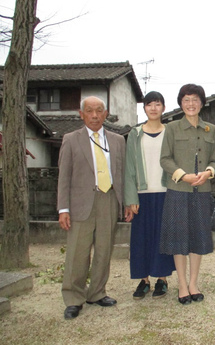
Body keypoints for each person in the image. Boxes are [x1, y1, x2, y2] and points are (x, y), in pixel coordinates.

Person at [57, 96, 126, 320]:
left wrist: (125, 202)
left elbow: (122, 174)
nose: (94, 115)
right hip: (80, 203)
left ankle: (96, 293)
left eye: (99, 111)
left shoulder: (117, 140)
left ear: (106, 114)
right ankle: (73, 298)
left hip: (108, 199)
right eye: (89, 111)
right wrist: (63, 208)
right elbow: (63, 176)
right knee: (78, 252)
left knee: (104, 250)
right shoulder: (70, 139)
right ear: (81, 114)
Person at [160, 83, 215, 305]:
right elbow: (165, 159)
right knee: (178, 238)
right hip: (178, 190)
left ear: (202, 103)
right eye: (186, 100)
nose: (191, 104)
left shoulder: (210, 129)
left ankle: (194, 283)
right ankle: (182, 285)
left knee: (198, 238)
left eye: (195, 99)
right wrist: (182, 175)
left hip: (202, 191)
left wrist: (209, 172)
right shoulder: (172, 128)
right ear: (181, 103)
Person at [124, 91, 176, 300]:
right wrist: (130, 198)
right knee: (141, 239)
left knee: (163, 238)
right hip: (142, 194)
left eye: (157, 104)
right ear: (144, 108)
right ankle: (144, 280)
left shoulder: (170, 132)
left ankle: (162, 279)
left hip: (166, 192)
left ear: (163, 107)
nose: (153, 108)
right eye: (149, 104)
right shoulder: (135, 134)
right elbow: (129, 168)